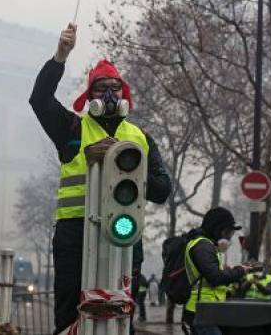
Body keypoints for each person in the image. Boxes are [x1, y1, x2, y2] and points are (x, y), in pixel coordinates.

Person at [29, 23, 171, 335]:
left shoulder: (140, 138)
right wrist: (60, 56)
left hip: (122, 233)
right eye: (100, 87)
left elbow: (162, 190)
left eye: (114, 87)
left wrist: (130, 164)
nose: (108, 94)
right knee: (70, 315)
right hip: (74, 233)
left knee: (120, 313)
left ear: (124, 94)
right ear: (89, 95)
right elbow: (39, 100)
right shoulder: (72, 128)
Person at [182, 207, 248, 335]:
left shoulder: (207, 246)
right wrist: (239, 271)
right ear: (218, 229)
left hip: (208, 310)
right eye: (228, 232)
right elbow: (215, 277)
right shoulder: (202, 246)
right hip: (202, 312)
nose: (229, 237)